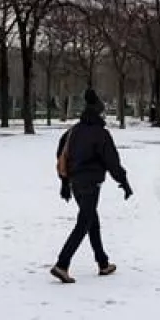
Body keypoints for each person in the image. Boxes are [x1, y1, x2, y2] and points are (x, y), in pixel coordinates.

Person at [51, 88, 132, 284]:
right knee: (84, 224)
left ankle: (103, 263)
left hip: (76, 183)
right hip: (91, 184)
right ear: (98, 113)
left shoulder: (72, 132)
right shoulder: (100, 134)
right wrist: (124, 181)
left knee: (91, 221)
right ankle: (62, 264)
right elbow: (112, 162)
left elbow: (62, 156)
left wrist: (64, 184)